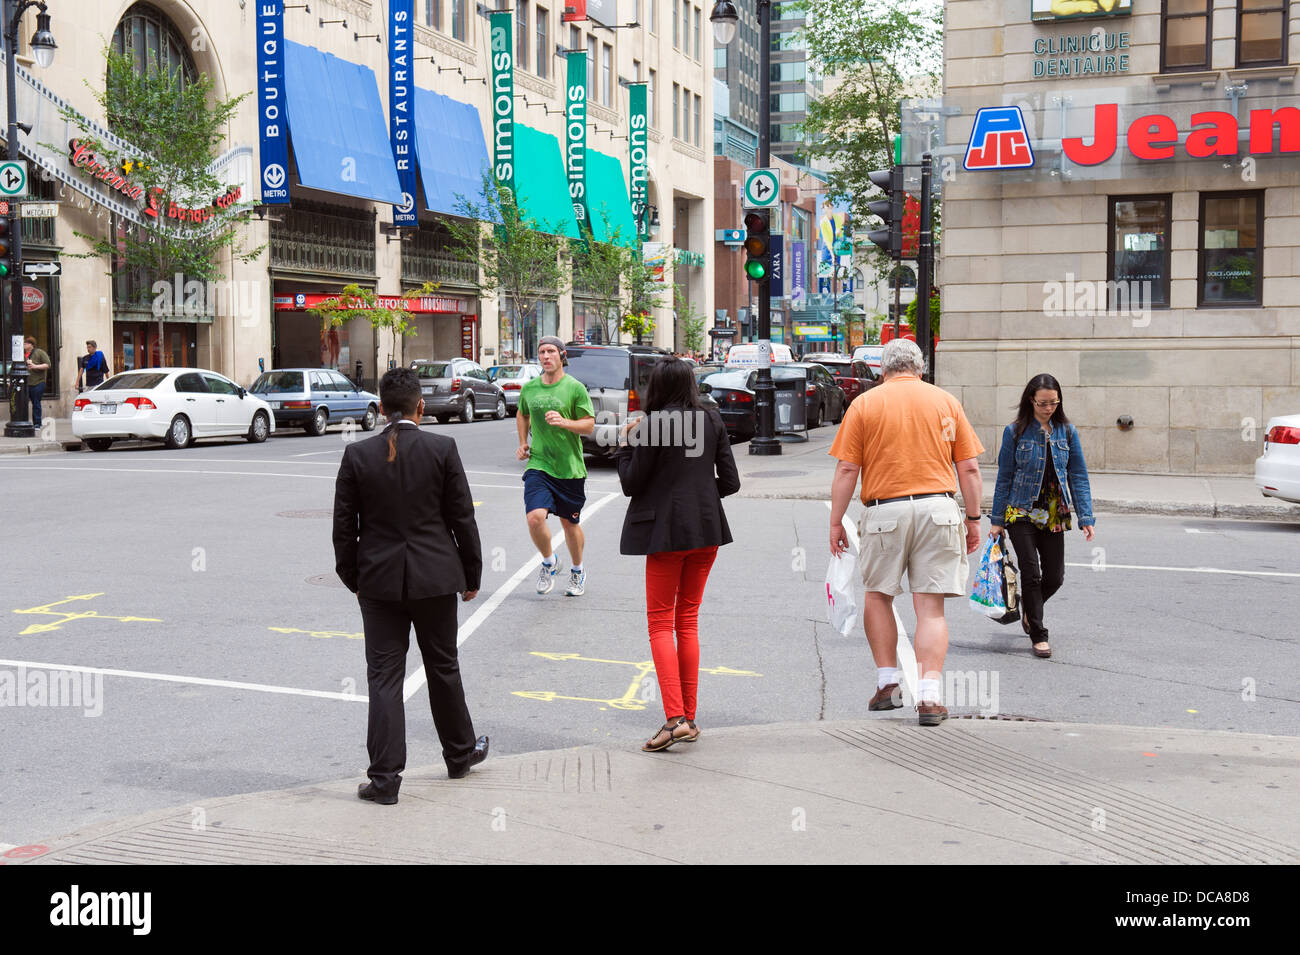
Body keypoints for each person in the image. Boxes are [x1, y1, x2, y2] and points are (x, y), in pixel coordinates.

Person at [333, 367, 488, 804]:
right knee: (443, 666)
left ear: (382, 409)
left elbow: (344, 527)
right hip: (436, 577)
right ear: (420, 406)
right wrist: (471, 575)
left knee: (384, 677)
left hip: (379, 582)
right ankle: (459, 755)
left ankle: (385, 780)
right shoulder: (442, 448)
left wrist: (354, 578)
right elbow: (462, 517)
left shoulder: (357, 456)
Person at [828, 338, 984, 727]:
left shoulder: (864, 404)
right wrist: (974, 517)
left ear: (883, 369)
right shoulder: (945, 402)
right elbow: (968, 468)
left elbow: (847, 470)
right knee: (930, 607)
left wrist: (836, 521)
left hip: (885, 512)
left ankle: (887, 684)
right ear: (920, 368)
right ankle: (929, 696)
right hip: (939, 510)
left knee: (878, 596)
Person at [616, 358, 740, 752]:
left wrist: (624, 443)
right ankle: (689, 715)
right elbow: (731, 482)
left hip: (666, 534)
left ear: (657, 388)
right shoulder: (712, 420)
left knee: (659, 623)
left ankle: (674, 720)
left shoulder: (651, 427)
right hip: (706, 530)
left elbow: (631, 483)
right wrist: (701, 499)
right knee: (687, 619)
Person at [989, 374, 1096, 659]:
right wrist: (997, 519)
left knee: (1055, 576)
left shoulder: (1067, 432)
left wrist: (1086, 516)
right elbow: (1005, 477)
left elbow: (1078, 476)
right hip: (1020, 510)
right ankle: (1038, 634)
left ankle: (1028, 607)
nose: (1048, 408)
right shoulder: (1014, 432)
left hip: (1054, 513)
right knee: (1031, 573)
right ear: (1030, 401)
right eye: (1043, 403)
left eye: (1053, 403)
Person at [516, 336, 596, 596]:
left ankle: (577, 570)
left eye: (551, 351)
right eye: (541, 352)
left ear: (562, 355)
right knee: (535, 517)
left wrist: (565, 423)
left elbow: (588, 424)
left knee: (568, 523)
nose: (545, 356)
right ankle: (549, 562)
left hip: (569, 467)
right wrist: (522, 442)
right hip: (539, 463)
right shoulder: (530, 389)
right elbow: (522, 413)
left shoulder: (574, 388)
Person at [22, 337, 52, 429]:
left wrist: (35, 366)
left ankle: (37, 424)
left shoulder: (39, 352)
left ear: (31, 344)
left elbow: (48, 364)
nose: (24, 345)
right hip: (25, 383)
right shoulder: (21, 355)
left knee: (36, 403)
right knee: (23, 403)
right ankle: (23, 422)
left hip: (38, 383)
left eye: (26, 343)